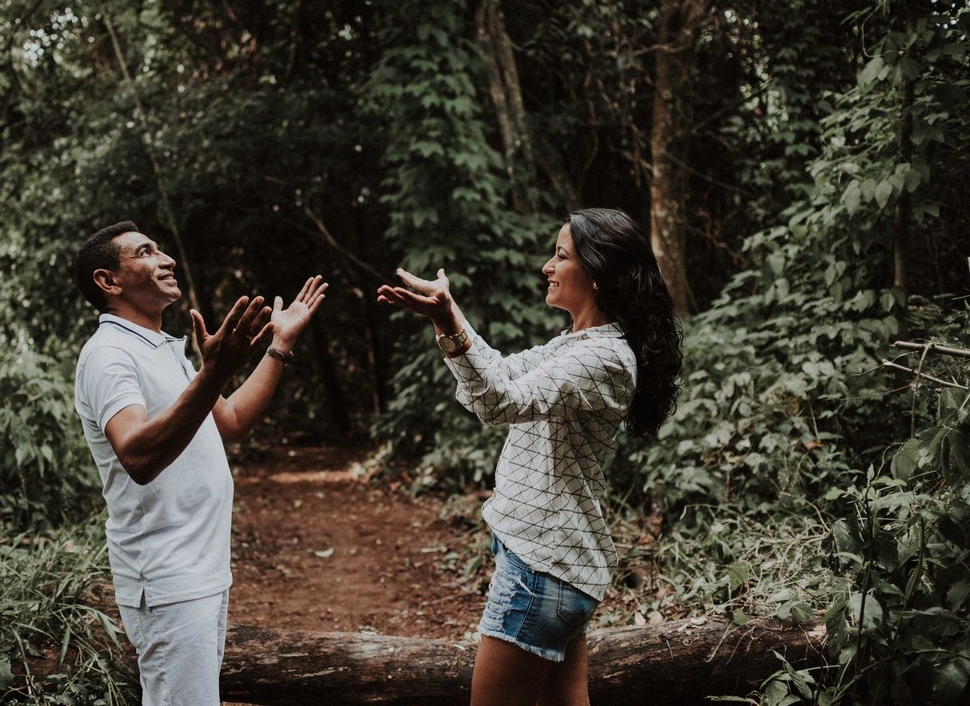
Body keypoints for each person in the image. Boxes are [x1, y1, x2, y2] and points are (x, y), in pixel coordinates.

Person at [377, 208, 682, 706]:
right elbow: (497, 377)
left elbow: (499, 401)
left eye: (561, 255)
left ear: (599, 274)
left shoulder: (599, 358)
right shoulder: (578, 345)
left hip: (542, 570)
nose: (547, 265)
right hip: (556, 566)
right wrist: (447, 314)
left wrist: (447, 319)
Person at [72, 221, 326, 706]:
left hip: (203, 568)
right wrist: (213, 371)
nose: (165, 259)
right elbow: (139, 456)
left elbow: (230, 420)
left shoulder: (162, 347)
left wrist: (281, 345)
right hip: (166, 576)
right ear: (109, 281)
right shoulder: (107, 355)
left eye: (161, 249)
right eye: (145, 253)